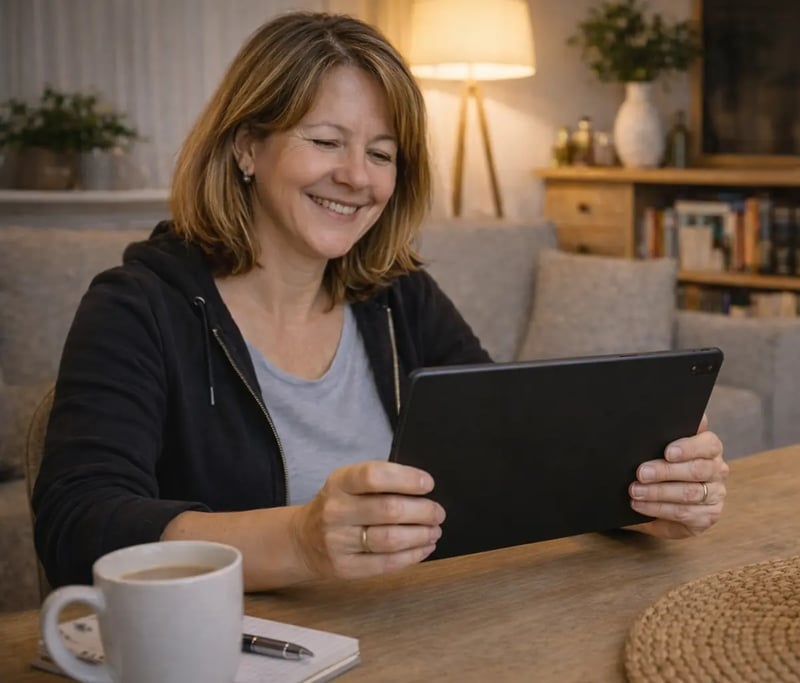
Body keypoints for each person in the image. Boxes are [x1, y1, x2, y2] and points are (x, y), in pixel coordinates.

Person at [32, 12, 729, 591]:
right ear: (248, 146)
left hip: (410, 628)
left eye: (382, 153)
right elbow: (78, 524)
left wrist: (639, 498)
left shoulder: (397, 296)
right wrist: (299, 540)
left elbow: (507, 452)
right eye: (325, 140)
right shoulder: (138, 306)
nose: (355, 177)